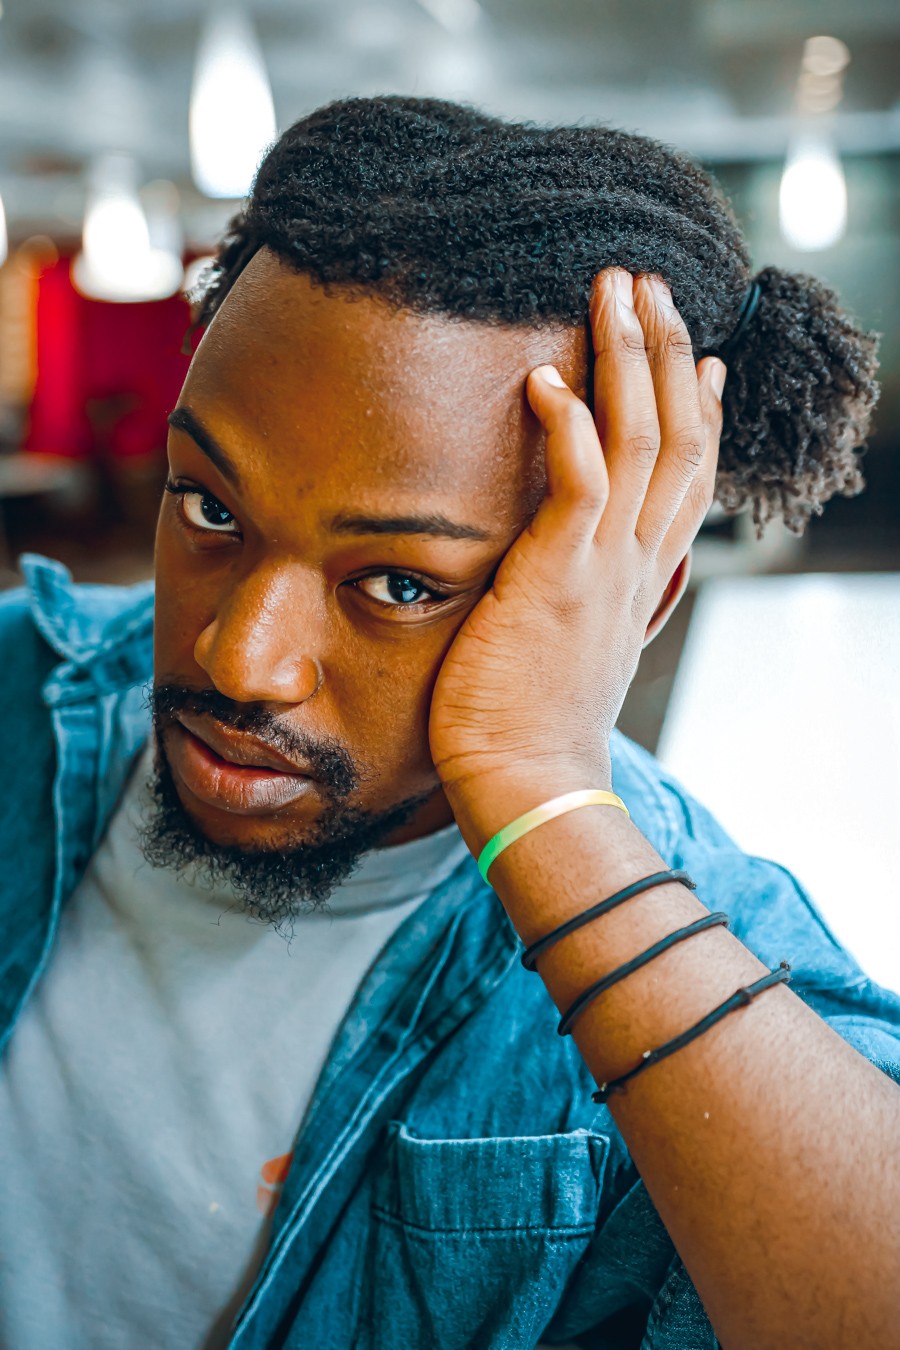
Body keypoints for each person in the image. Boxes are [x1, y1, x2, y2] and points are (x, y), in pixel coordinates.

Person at [0, 95, 896, 1350]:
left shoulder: (701, 953)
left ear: (623, 604)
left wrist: (536, 774)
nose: (237, 659)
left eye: (401, 585)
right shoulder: (20, 689)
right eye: (209, 508)